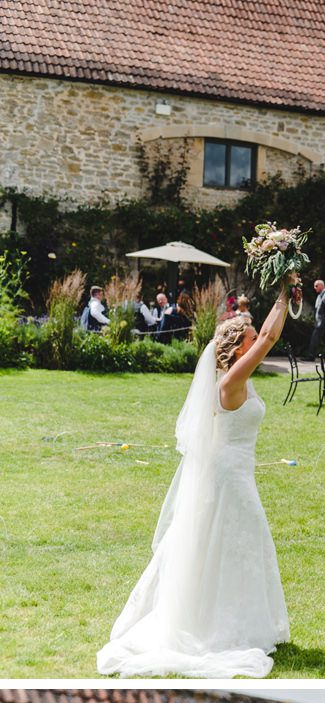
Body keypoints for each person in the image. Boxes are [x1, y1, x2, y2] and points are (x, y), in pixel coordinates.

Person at [98, 281, 293, 679]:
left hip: (237, 470)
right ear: (239, 348)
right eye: (251, 339)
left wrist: (284, 294)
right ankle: (219, 627)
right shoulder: (229, 383)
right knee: (239, 538)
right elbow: (271, 335)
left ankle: (237, 620)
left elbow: (268, 333)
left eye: (255, 336)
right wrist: (284, 291)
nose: (258, 342)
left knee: (233, 542)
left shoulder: (237, 378)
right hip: (228, 476)